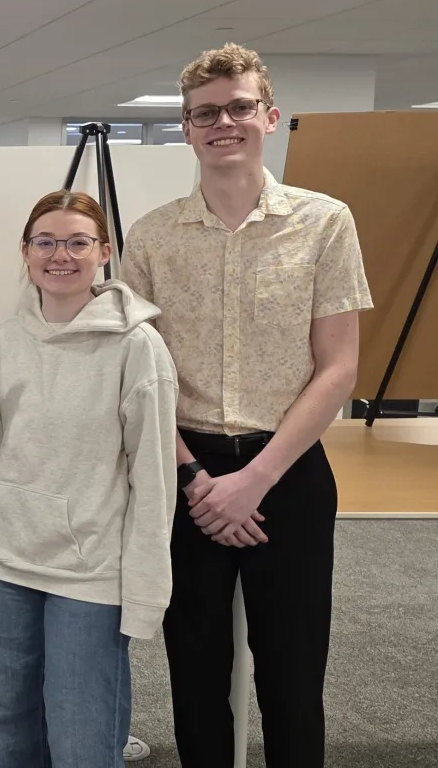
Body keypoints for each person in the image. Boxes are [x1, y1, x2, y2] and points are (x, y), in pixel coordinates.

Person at [120, 43, 372, 768]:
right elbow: (138, 376)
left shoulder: (325, 222)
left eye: (238, 107)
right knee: (196, 674)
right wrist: (199, 481)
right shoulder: (153, 236)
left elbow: (338, 369)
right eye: (205, 114)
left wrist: (253, 481)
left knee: (293, 675)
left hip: (286, 473)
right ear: (186, 129)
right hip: (185, 477)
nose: (222, 123)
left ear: (269, 115)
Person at [0, 189, 178, 767]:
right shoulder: (6, 338)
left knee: (81, 738)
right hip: (7, 553)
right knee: (11, 726)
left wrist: (145, 593)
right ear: (26, 251)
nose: (60, 256)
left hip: (88, 568)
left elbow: (153, 478)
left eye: (77, 243)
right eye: (45, 242)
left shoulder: (136, 346)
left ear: (104, 252)